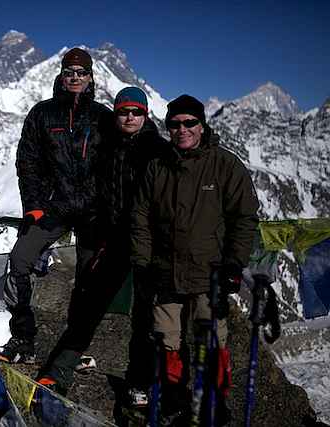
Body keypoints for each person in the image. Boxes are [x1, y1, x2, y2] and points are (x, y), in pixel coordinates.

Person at [130, 94, 259, 424]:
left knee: (211, 342)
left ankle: (213, 402)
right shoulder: (157, 167)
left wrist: (233, 264)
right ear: (168, 128)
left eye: (189, 123)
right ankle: (172, 398)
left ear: (202, 126)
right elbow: (141, 219)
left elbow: (244, 217)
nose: (182, 129)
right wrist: (142, 264)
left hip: (209, 273)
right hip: (163, 272)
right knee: (165, 342)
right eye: (174, 124)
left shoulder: (224, 164)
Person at [0, 47, 113, 394]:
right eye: (69, 71)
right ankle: (22, 338)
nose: (75, 77)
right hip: (53, 208)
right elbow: (27, 161)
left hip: (92, 212)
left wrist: (107, 207)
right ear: (61, 75)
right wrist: (34, 204)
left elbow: (116, 165)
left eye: (82, 72)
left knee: (89, 279)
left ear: (91, 77)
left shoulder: (102, 116)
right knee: (20, 260)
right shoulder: (42, 114)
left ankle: (77, 348)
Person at [95, 87, 168, 408]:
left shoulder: (159, 149)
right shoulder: (107, 146)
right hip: (114, 237)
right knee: (94, 301)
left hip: (149, 242)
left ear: (145, 115)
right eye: (124, 111)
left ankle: (142, 381)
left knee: (146, 315)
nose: (129, 117)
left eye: (136, 112)